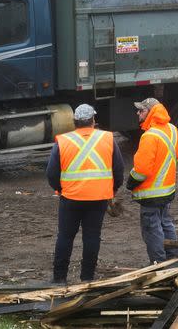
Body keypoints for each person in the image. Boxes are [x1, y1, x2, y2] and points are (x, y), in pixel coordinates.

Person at [47, 104, 123, 284]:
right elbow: (118, 170)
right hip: (99, 199)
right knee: (92, 236)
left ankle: (59, 278)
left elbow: (51, 173)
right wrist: (112, 190)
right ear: (93, 121)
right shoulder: (108, 138)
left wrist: (60, 190)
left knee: (65, 236)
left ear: (75, 122)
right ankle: (87, 278)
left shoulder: (64, 141)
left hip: (71, 198)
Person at [127, 98, 178, 264]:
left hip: (151, 194)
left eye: (141, 110)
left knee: (152, 229)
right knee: (166, 223)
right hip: (167, 191)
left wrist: (131, 181)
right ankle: (173, 258)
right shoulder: (172, 129)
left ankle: (158, 263)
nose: (138, 113)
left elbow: (141, 171)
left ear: (150, 112)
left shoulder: (149, 136)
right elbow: (177, 157)